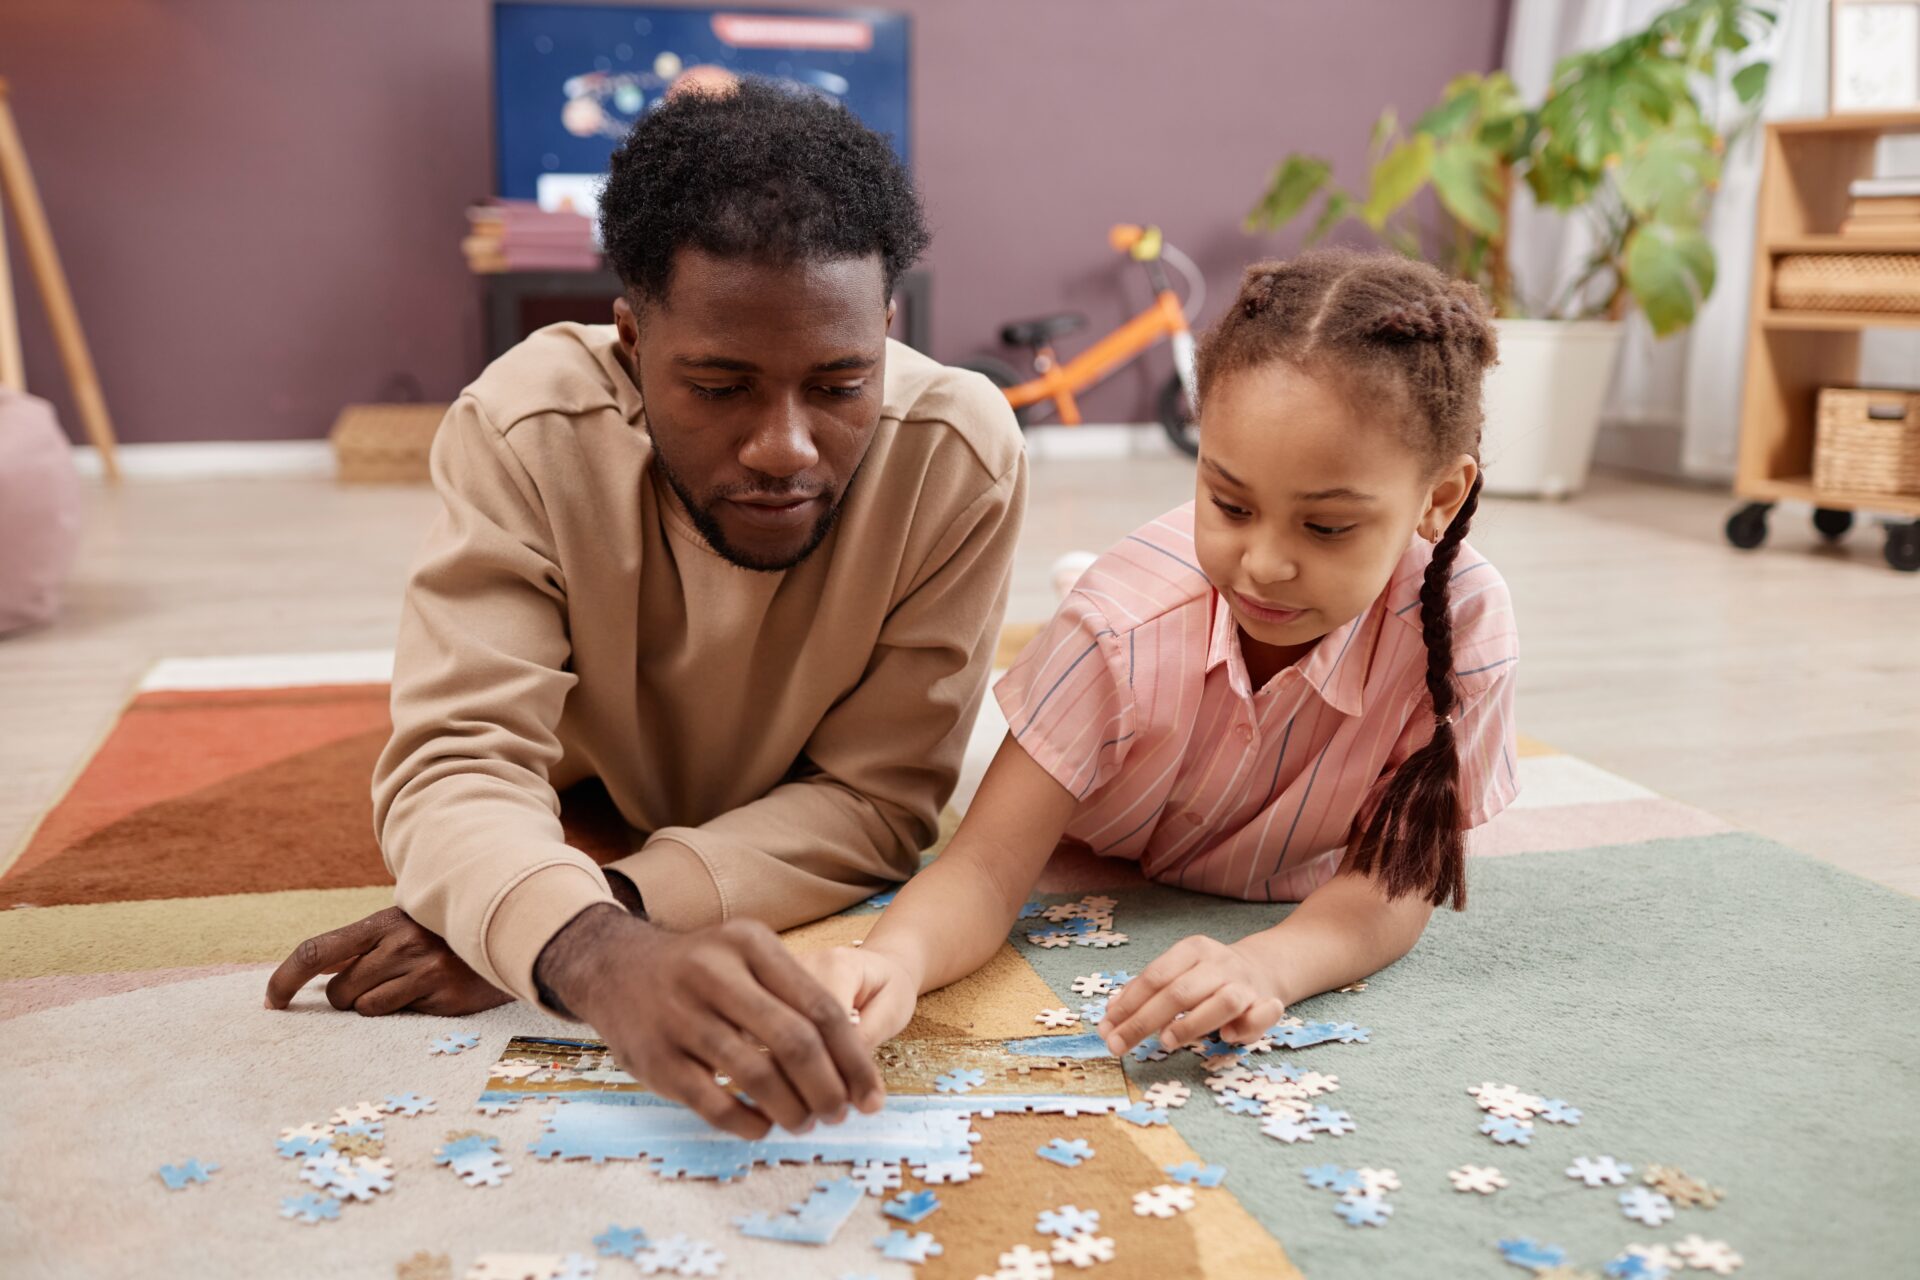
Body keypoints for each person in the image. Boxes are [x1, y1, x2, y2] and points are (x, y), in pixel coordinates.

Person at [263, 81, 1027, 1140]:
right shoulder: (523, 428)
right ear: (629, 342)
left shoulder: (959, 453)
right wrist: (579, 948)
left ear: (888, 330)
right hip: (587, 781)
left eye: (842, 384)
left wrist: (592, 914)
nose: (785, 448)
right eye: (719, 388)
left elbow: (881, 799)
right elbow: (459, 761)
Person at [805, 248, 1518, 1057]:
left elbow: (1392, 886)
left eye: (1325, 526)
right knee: (1087, 660)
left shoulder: (1466, 635)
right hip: (1111, 754)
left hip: (1244, 820)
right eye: (1229, 502)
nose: (1266, 564)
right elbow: (985, 866)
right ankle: (1076, 596)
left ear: (1440, 499)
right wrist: (894, 962)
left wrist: (1268, 965)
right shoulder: (1118, 630)